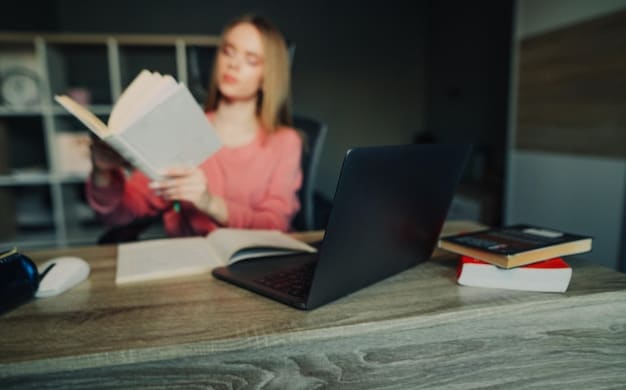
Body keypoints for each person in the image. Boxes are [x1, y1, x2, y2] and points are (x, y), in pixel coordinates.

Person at [87, 14, 302, 237]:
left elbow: (276, 223)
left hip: (256, 264)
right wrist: (103, 173)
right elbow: (119, 214)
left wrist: (210, 203)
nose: (233, 64)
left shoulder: (286, 142)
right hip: (194, 261)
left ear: (268, 76)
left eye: (251, 59)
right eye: (228, 51)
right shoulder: (181, 128)